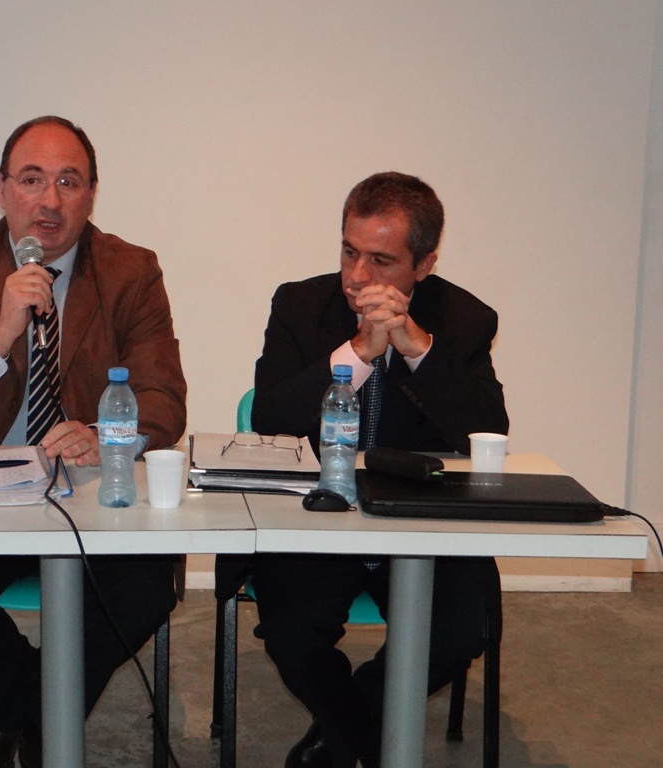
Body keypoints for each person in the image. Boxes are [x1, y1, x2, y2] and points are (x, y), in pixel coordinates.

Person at [0, 115, 187, 768]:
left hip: (89, 496)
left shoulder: (131, 271)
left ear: (92, 195)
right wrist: (0, 334)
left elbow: (164, 399)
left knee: (144, 590)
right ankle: (36, 715)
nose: (49, 200)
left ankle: (16, 716)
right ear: (3, 190)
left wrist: (107, 435)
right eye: (31, 180)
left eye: (68, 181)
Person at [248, 171, 509, 768]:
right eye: (349, 252)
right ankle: (359, 735)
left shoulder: (465, 319)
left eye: (381, 260)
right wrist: (359, 354)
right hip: (317, 514)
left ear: (424, 265)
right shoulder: (299, 305)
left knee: (461, 629)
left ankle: (339, 735)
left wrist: (417, 348)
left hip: (423, 519)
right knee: (292, 632)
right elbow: (269, 418)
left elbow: (485, 431)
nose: (357, 276)